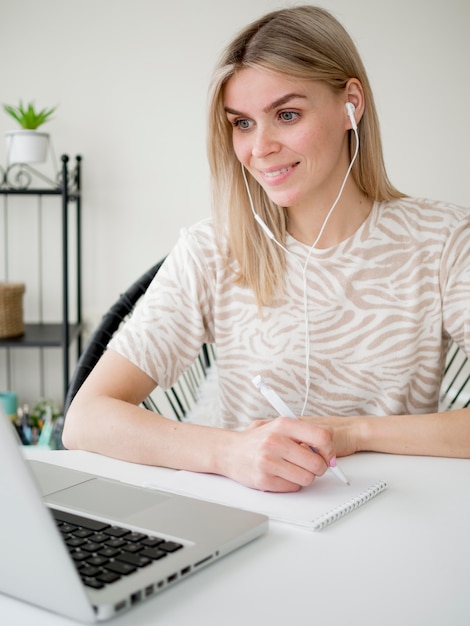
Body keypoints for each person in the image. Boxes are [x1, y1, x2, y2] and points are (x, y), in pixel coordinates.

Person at [63, 5, 470, 492]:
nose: (260, 148)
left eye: (287, 114)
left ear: (351, 105)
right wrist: (229, 452)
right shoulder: (212, 250)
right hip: (255, 520)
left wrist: (352, 433)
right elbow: (85, 419)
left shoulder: (443, 240)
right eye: (242, 123)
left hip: (396, 514)